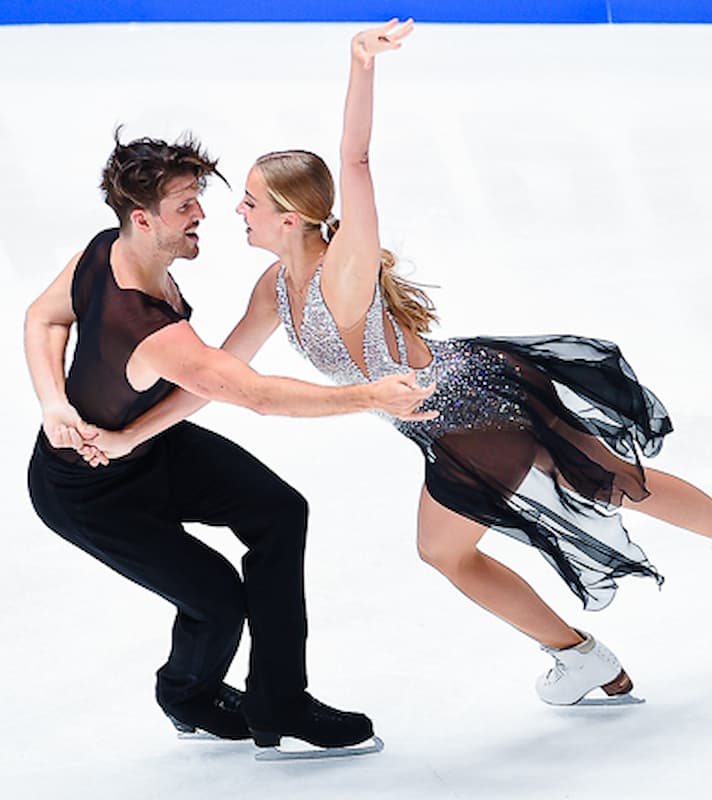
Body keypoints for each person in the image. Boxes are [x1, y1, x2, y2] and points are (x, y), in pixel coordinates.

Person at [87, 20, 712, 707]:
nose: (234, 212)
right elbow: (221, 376)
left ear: (290, 216)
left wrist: (360, 65)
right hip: (459, 399)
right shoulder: (271, 288)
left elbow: (353, 157)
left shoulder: (340, 270)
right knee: (599, 487)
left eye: (248, 201)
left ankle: (632, 625)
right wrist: (134, 436)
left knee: (535, 514)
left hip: (467, 407)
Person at [24, 128, 435, 755]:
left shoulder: (108, 248)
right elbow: (254, 394)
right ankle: (186, 694)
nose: (203, 216)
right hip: (86, 490)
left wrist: (61, 404)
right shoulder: (143, 327)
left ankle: (280, 701)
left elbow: (45, 315)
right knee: (216, 600)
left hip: (147, 448)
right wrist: (368, 395)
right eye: (186, 206)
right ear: (144, 217)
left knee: (277, 510)